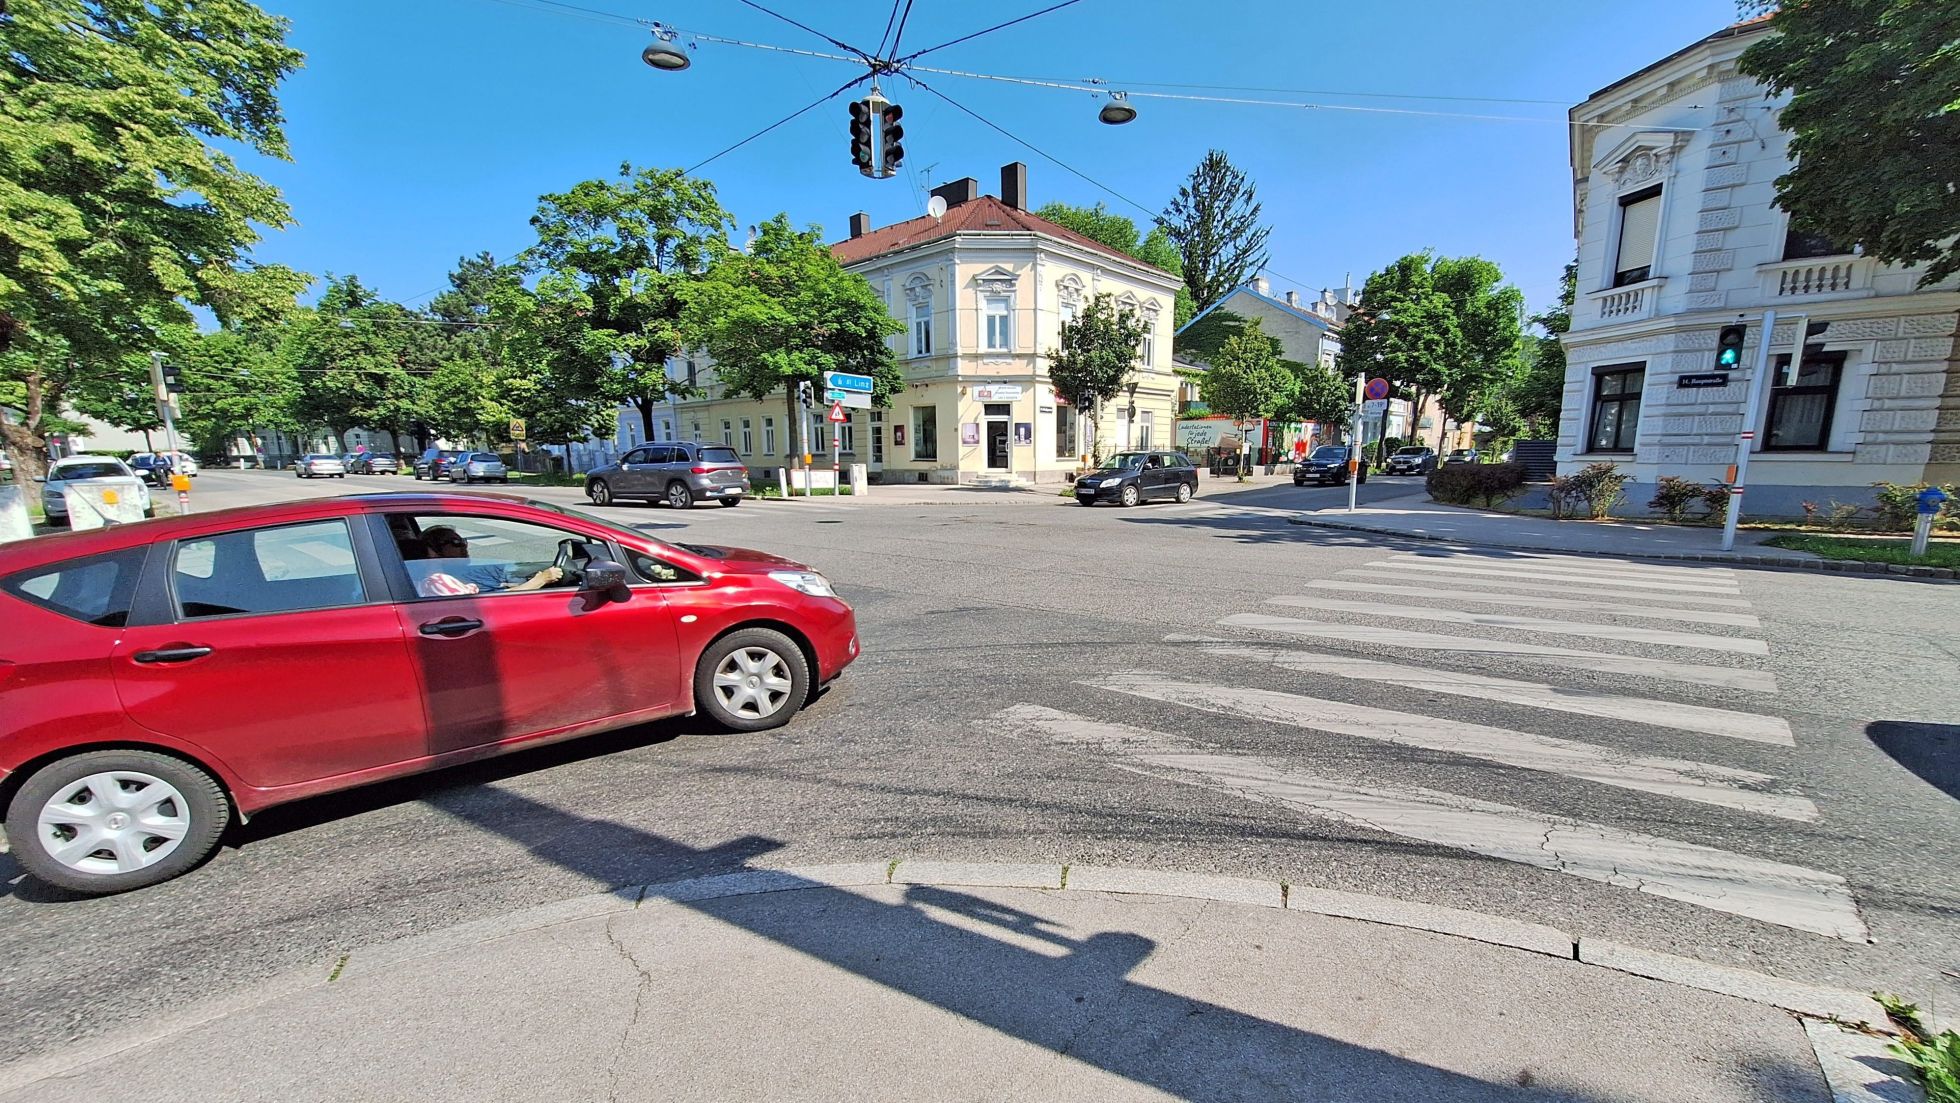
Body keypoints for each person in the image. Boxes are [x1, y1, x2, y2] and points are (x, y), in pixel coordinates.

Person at [412, 526, 563, 597]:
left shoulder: (452, 575)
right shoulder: (438, 582)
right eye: (456, 542)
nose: (464, 546)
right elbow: (489, 606)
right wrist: (542, 578)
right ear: (434, 551)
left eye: (463, 541)